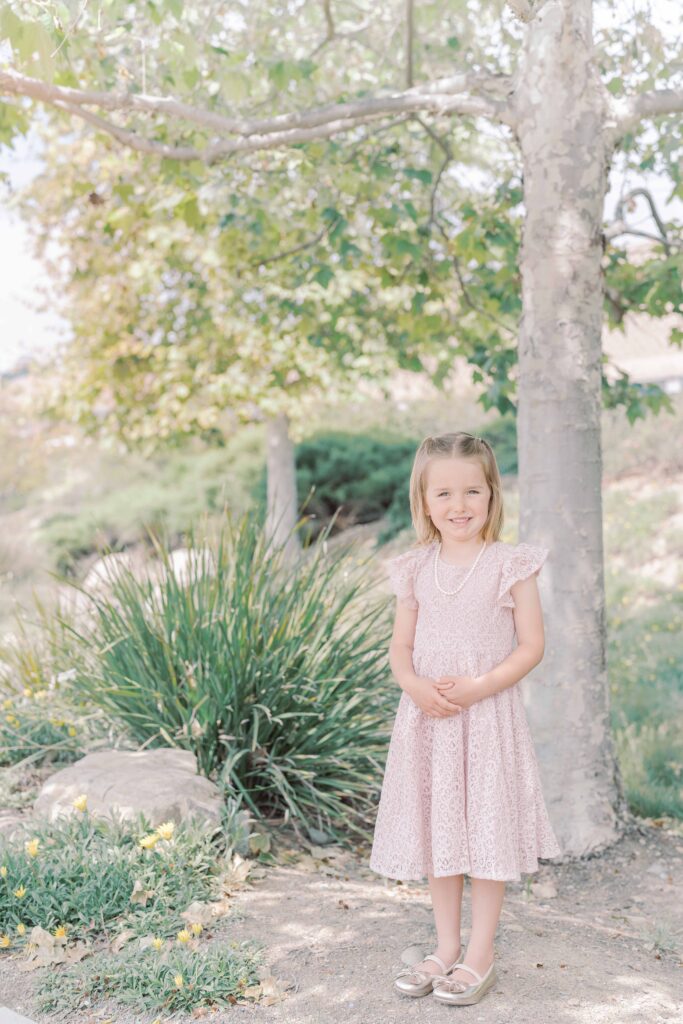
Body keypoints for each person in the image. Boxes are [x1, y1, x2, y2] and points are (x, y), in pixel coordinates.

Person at [368, 431, 561, 1006]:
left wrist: (479, 686)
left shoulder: (510, 565)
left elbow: (531, 647)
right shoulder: (414, 569)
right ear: (424, 501)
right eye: (445, 493)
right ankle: (445, 945)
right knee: (440, 829)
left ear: (492, 494)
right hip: (429, 722)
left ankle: (481, 952)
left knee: (486, 828)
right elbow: (400, 648)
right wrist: (414, 686)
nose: (459, 505)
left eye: (472, 491)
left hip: (486, 720)